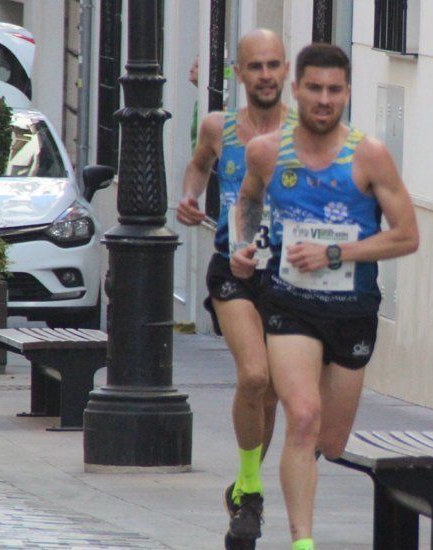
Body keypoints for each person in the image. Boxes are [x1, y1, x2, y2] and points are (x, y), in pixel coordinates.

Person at [231, 43, 419, 550]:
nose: (323, 99)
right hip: (290, 304)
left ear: (348, 94)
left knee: (329, 442)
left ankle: (298, 472)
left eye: (334, 90)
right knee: (304, 416)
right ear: (296, 91)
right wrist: (243, 246)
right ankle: (302, 542)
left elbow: (407, 235)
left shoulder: (370, 156)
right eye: (314, 88)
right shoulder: (267, 153)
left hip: (352, 311)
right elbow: (248, 200)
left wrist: (337, 253)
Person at [175, 28, 294, 545]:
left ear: (285, 70)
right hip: (233, 269)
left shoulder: (306, 131)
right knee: (253, 376)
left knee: (269, 394)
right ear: (239, 73)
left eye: (274, 65)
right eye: (256, 66)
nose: (266, 75)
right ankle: (250, 490)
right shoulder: (218, 127)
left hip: (289, 274)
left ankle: (245, 485)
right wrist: (189, 198)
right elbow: (199, 166)